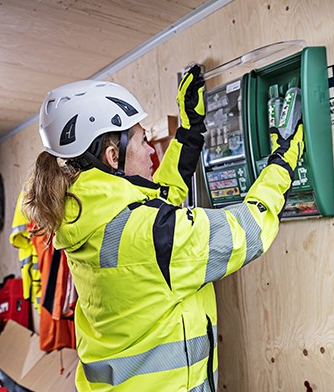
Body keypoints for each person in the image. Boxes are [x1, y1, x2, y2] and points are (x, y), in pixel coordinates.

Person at [23, 65, 304, 391]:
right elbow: (249, 229)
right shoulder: (150, 234)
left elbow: (156, 205)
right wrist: (282, 163)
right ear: (114, 157)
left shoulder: (86, 218)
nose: (151, 152)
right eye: (143, 141)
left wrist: (189, 134)